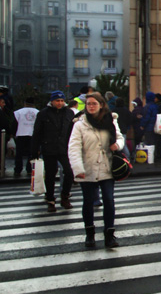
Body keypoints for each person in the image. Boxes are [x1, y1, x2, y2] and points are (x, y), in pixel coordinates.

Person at [68, 92, 125, 249]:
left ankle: (109, 234)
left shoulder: (111, 121)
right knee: (88, 202)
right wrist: (78, 169)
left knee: (108, 199)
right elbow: (73, 148)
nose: (91, 106)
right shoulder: (80, 124)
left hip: (107, 167)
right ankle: (90, 234)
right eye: (88, 104)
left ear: (101, 105)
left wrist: (117, 145)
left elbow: (120, 138)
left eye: (94, 104)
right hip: (87, 168)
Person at [32, 91, 77, 213]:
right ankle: (51, 200)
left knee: (69, 172)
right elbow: (37, 132)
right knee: (50, 174)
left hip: (65, 147)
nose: (60, 103)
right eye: (57, 101)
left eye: (62, 101)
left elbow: (73, 131)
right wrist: (35, 149)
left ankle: (65, 196)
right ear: (52, 101)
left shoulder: (69, 112)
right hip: (49, 147)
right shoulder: (43, 114)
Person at [12, 97, 39, 180]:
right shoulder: (38, 112)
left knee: (19, 153)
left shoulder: (18, 112)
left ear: (25, 103)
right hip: (33, 135)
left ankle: (18, 169)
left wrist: (13, 134)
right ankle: (29, 169)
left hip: (21, 134)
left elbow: (14, 124)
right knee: (31, 153)